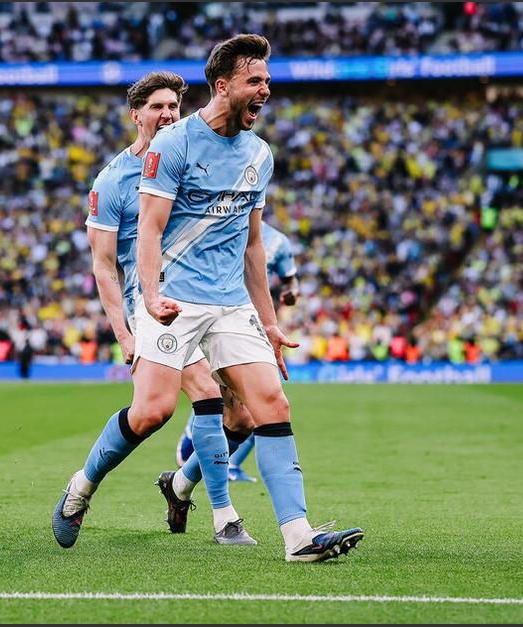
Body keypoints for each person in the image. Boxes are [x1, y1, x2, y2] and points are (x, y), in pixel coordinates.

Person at [134, 34, 362, 562]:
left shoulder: (260, 153)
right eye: (255, 81)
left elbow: (253, 245)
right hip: (176, 301)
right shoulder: (174, 145)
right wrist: (149, 295)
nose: (266, 89)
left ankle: (298, 536)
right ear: (223, 85)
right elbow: (149, 229)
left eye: (267, 80)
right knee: (150, 414)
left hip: (232, 303)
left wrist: (269, 320)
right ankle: (85, 484)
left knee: (270, 405)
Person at [52, 71, 256, 551]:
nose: (168, 115)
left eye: (174, 106)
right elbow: (104, 267)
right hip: (156, 306)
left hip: (210, 297)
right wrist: (123, 333)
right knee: (156, 412)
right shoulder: (112, 181)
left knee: (243, 417)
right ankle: (81, 489)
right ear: (136, 115)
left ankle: (181, 484)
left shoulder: (193, 157)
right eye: (158, 107)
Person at [173, 220, 300, 483]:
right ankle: (193, 454)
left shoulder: (277, 241)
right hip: (216, 317)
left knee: (262, 401)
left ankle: (220, 463)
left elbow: (290, 280)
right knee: (220, 395)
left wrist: (290, 293)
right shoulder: (219, 224)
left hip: (255, 323)